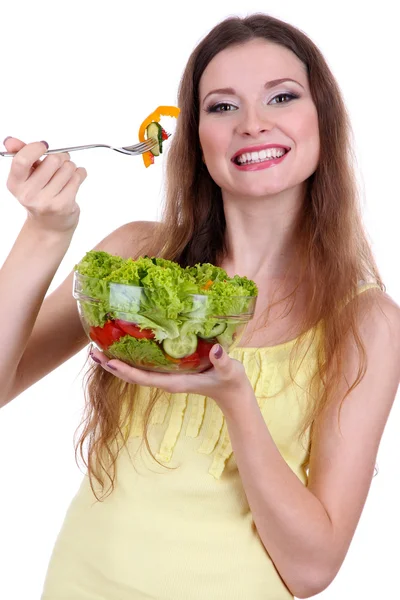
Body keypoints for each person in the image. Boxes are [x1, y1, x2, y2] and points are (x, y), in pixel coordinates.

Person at [1, 12, 399, 600]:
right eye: (222, 106)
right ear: (194, 138)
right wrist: (45, 233)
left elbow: (312, 571)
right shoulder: (138, 257)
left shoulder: (367, 323)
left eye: (282, 97)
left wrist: (234, 398)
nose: (253, 125)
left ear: (323, 121)